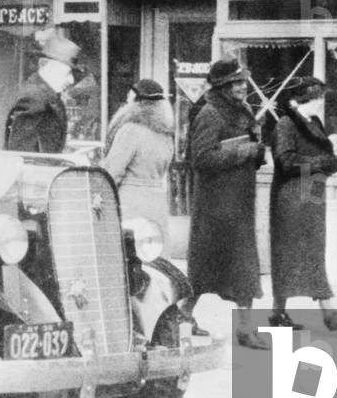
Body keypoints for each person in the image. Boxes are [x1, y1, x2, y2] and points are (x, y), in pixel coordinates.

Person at [181, 57, 268, 349]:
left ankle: (245, 330)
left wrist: (258, 150)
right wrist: (245, 151)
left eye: (243, 81)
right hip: (215, 208)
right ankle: (181, 318)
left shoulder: (244, 111)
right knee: (203, 272)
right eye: (235, 82)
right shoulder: (210, 113)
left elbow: (248, 152)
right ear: (222, 86)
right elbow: (201, 158)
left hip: (239, 205)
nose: (243, 87)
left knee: (244, 271)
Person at [268, 76, 337, 332]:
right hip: (291, 199)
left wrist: (330, 162)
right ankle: (328, 311)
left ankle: (279, 313)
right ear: (300, 100)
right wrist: (322, 163)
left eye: (320, 97)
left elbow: (326, 157)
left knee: (310, 252)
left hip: (311, 195)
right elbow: (286, 162)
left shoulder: (314, 123)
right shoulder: (286, 124)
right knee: (290, 255)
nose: (320, 102)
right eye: (316, 98)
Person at [102, 79, 175, 240]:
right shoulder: (165, 134)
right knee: (153, 250)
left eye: (129, 98)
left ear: (137, 102)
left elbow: (113, 171)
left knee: (128, 249)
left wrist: (99, 195)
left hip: (131, 202)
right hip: (157, 202)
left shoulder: (130, 130)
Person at [4, 29, 80, 153]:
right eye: (67, 73)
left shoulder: (45, 96)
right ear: (47, 66)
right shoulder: (33, 99)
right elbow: (22, 154)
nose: (71, 80)